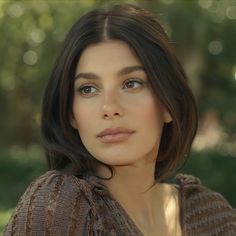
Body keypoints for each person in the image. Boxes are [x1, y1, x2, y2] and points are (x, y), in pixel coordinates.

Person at [4, 3, 236, 236]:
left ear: (168, 103)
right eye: (88, 89)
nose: (109, 108)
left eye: (131, 83)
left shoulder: (213, 217)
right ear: (71, 114)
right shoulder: (59, 206)